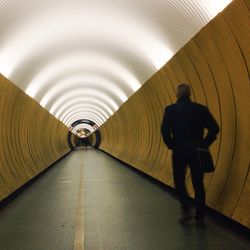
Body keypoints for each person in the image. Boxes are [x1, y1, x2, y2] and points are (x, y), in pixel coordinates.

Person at [161, 83, 219, 228]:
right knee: (198, 184)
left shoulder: (170, 110)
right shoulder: (201, 109)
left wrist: (171, 144)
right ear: (190, 94)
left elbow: (165, 130)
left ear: (177, 94)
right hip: (197, 151)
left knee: (179, 181)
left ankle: (186, 210)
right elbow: (214, 128)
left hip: (179, 151)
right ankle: (200, 218)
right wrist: (205, 143)